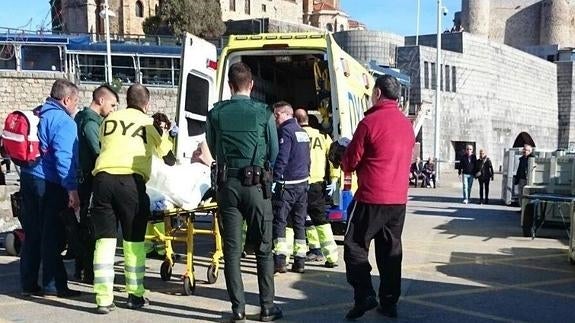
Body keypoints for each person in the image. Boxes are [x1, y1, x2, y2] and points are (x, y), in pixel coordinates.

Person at [206, 62, 282, 322]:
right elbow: (273, 151)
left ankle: (237, 309)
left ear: (229, 85)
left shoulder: (216, 113)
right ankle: (267, 307)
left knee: (232, 250)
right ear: (251, 85)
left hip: (229, 187)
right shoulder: (264, 113)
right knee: (263, 248)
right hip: (257, 186)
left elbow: (214, 148)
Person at [91, 84, 173, 314]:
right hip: (130, 184)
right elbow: (169, 158)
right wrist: (165, 132)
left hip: (103, 180)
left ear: (127, 100)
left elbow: (104, 145)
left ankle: (103, 298)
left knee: (105, 241)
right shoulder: (149, 123)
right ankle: (135, 295)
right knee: (133, 241)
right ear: (146, 103)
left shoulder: (109, 120)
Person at [341, 75, 415, 320]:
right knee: (390, 251)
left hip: (371, 196)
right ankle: (389, 301)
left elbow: (350, 162)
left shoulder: (369, 122)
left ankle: (364, 294)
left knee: (354, 245)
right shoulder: (406, 125)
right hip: (398, 201)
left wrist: (341, 154)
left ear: (379, 93)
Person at [19, 79, 82, 298]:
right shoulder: (64, 121)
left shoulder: (39, 113)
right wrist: (72, 189)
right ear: (67, 99)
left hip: (28, 177)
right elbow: (64, 158)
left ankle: (28, 283)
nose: (76, 107)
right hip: (50, 183)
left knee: (32, 233)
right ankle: (53, 285)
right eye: (75, 101)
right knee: (52, 235)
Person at [74, 85, 118, 284]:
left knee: (84, 226)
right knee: (92, 228)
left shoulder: (82, 118)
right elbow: (99, 151)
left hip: (83, 179)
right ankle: (88, 271)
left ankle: (81, 268)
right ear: (101, 101)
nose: (113, 110)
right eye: (112, 105)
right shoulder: (91, 123)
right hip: (90, 181)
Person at [293, 108, 339, 268]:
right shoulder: (324, 137)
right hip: (317, 184)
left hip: (298, 182)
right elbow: (334, 159)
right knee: (320, 220)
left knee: (299, 218)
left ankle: (310, 250)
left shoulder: (293, 135)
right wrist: (334, 179)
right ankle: (330, 256)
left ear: (296, 120)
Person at [272, 102, 311, 274]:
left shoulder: (285, 131)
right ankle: (300, 262)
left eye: (277, 115)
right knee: (299, 223)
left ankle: (280, 261)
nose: (275, 119)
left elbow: (282, 157)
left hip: (287, 185)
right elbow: (307, 159)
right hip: (302, 184)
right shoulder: (302, 132)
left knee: (280, 222)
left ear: (285, 114)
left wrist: (274, 177)